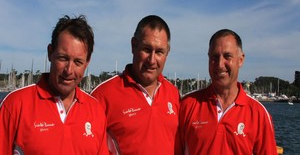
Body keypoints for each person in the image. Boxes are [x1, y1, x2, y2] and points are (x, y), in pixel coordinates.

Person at [0, 15, 109, 155]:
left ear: (87, 63)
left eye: (78, 62)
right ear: (50, 53)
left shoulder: (96, 110)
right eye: (63, 58)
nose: (69, 70)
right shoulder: (15, 104)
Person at [178, 29, 277, 154]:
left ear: (240, 60)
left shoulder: (259, 114)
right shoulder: (187, 105)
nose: (220, 64)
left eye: (227, 56)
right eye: (214, 57)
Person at [91, 15, 180, 155]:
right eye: (146, 49)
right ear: (133, 45)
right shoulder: (103, 95)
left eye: (159, 52)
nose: (152, 60)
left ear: (167, 52)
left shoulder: (173, 94)